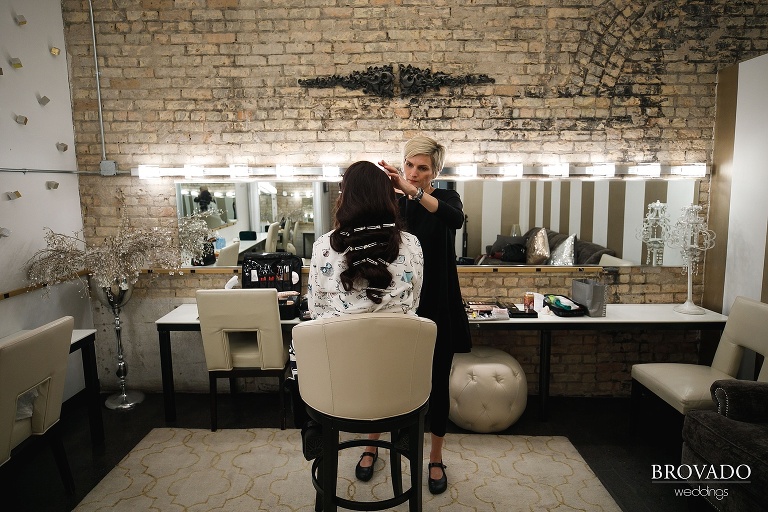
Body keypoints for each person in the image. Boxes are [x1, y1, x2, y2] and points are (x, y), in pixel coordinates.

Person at [358, 135, 472, 495]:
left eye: (422, 168)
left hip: (439, 304)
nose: (414, 172)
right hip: (397, 306)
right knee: (386, 378)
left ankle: (435, 458)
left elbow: (455, 219)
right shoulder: (392, 204)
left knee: (437, 382)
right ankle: (372, 445)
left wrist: (413, 191)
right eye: (409, 165)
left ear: (434, 171)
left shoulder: (446, 199)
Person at [286, 160, 424, 457]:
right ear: (389, 197)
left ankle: (313, 425)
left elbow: (317, 309)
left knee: (298, 344)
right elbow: (413, 305)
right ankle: (402, 427)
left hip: (339, 385)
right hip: (396, 383)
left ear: (344, 197)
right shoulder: (412, 245)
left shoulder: (325, 246)